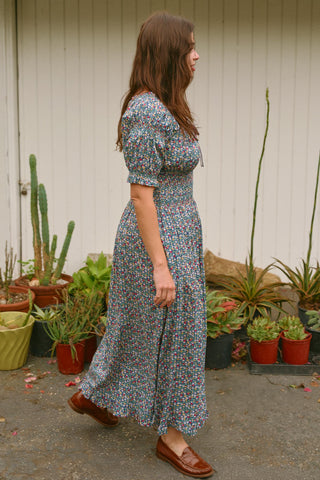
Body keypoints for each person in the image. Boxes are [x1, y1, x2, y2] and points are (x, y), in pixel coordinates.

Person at [68, 11, 214, 478]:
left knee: (138, 323)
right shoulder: (147, 110)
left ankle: (94, 394)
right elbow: (141, 194)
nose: (196, 54)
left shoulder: (168, 105)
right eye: (190, 46)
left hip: (178, 229)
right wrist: (160, 266)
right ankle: (172, 439)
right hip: (157, 238)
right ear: (169, 53)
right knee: (180, 331)